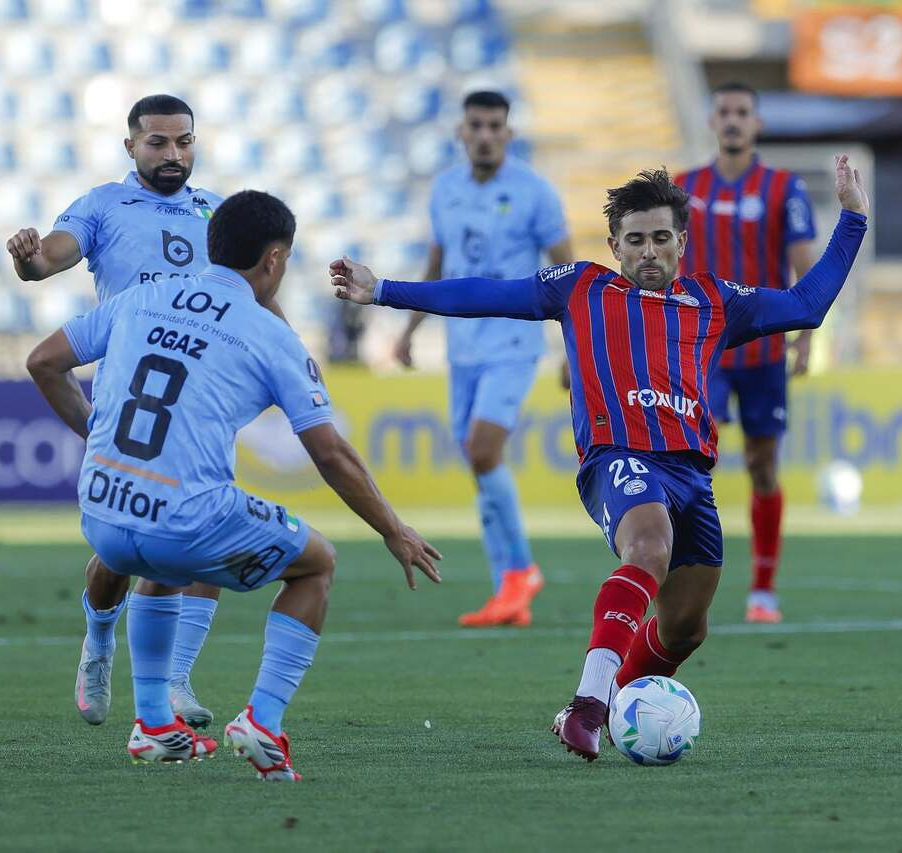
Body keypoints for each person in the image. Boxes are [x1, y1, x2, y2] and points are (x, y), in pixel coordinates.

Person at [331, 157, 869, 761]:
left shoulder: (714, 300)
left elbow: (805, 306)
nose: (648, 251)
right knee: (649, 547)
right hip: (618, 457)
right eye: (634, 240)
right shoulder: (582, 288)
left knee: (686, 627)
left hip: (691, 473)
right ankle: (587, 706)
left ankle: (613, 704)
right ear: (614, 246)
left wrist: (852, 218)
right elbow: (487, 293)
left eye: (660, 238)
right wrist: (384, 290)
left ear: (681, 242)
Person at [26, 189, 442, 779]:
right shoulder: (270, 335)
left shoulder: (139, 298)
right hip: (180, 519)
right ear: (274, 259)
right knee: (316, 564)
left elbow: (42, 361)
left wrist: (100, 435)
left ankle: (154, 724)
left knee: (164, 560)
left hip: (101, 511)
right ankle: (263, 721)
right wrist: (393, 530)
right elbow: (330, 454)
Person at [6, 95, 236, 728]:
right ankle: (99, 641)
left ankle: (176, 680)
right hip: (128, 403)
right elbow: (47, 259)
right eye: (158, 142)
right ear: (131, 146)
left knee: (206, 536)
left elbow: (250, 296)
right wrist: (28, 255)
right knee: (121, 555)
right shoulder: (104, 205)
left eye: (183, 141)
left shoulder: (218, 212)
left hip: (202, 400)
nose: (173, 153)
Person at [392, 90, 573, 628]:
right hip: (463, 347)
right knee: (477, 462)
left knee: (484, 448)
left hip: (514, 343)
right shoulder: (445, 190)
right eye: (477, 125)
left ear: (509, 134)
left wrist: (574, 347)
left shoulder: (536, 192)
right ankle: (507, 592)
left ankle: (521, 570)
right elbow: (437, 265)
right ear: (462, 132)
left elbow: (570, 275)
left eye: (496, 126)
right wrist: (410, 328)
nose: (487, 135)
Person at [674, 82, 820, 623]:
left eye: (742, 112)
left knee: (762, 465)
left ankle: (762, 588)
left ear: (757, 123)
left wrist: (806, 337)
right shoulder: (683, 187)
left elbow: (804, 265)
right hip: (701, 349)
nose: (733, 120)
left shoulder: (783, 187)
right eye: (725, 112)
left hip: (762, 349)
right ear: (712, 122)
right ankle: (682, 579)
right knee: (691, 458)